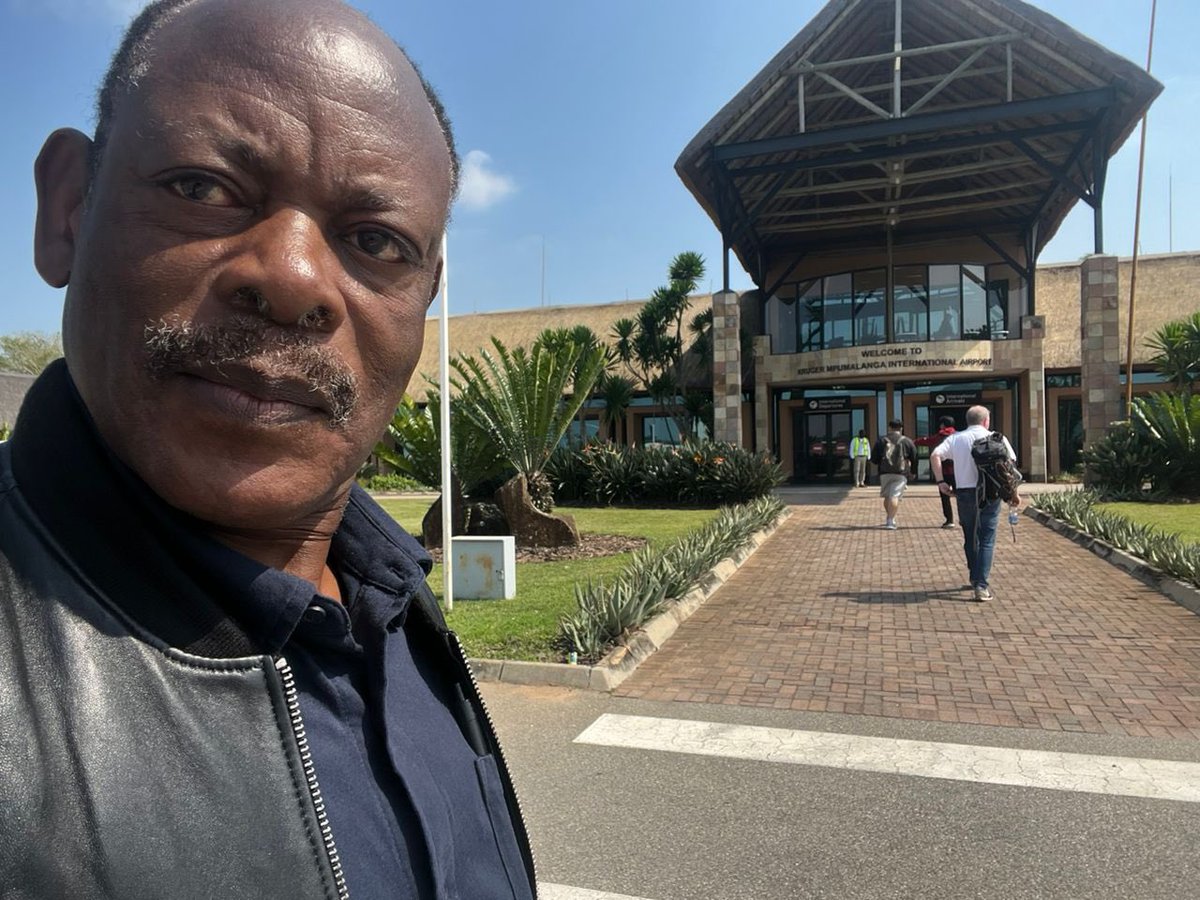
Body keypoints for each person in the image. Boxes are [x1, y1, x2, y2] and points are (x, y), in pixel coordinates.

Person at [0, 1, 536, 897]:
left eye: (376, 243)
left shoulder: (397, 605)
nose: (290, 279)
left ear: (423, 300)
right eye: (201, 187)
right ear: (67, 209)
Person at [931, 405, 1022, 602]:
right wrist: (1013, 493)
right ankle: (981, 586)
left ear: (968, 420)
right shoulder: (998, 438)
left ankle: (974, 576)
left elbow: (935, 455)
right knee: (987, 538)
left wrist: (941, 482)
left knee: (970, 536)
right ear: (986, 421)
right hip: (991, 493)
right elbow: (1010, 467)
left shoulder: (955, 438)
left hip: (965, 493)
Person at [870, 418, 917, 529]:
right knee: (894, 496)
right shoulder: (907, 441)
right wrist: (913, 471)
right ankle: (890, 521)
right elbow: (915, 457)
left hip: (885, 473)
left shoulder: (881, 440)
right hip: (900, 473)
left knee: (887, 496)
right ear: (901, 428)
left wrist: (880, 463)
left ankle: (890, 516)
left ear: (889, 428)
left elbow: (874, 459)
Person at [915, 415, 958, 527]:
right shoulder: (958, 436)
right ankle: (964, 518)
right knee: (961, 496)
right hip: (957, 471)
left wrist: (913, 442)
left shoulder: (940, 436)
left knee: (945, 497)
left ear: (943, 425)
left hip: (943, 471)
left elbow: (927, 441)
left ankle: (949, 520)